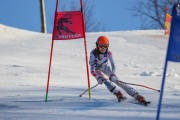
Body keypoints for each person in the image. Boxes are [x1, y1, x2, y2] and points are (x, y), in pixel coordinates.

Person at [89, 36, 148, 104]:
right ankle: (117, 93)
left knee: (117, 81)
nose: (103, 48)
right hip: (97, 69)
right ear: (97, 45)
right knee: (105, 80)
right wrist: (98, 78)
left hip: (105, 67)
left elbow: (113, 65)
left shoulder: (109, 53)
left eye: (105, 46)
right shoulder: (93, 54)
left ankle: (136, 95)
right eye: (101, 46)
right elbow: (92, 69)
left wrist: (113, 74)